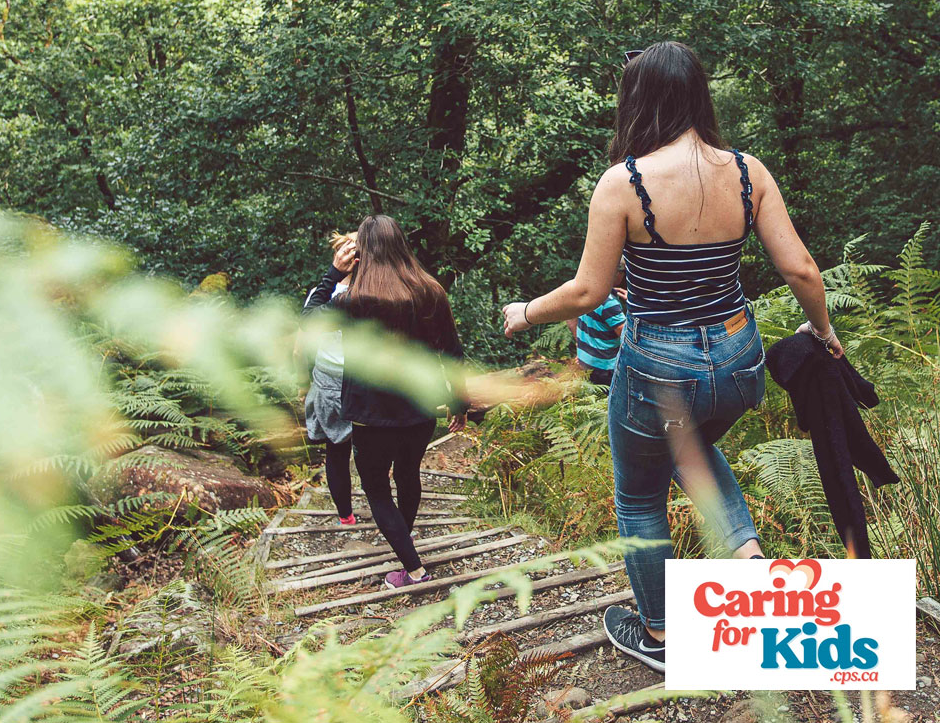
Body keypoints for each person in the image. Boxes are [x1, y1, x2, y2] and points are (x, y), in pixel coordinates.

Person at [501, 41, 843, 674]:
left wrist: (525, 312)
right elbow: (799, 266)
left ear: (638, 100)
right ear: (698, 94)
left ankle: (658, 633)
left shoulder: (623, 183)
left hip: (659, 363)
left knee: (639, 496)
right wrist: (821, 330)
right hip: (738, 356)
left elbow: (588, 292)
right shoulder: (749, 173)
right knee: (692, 452)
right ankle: (753, 567)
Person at [304, 214, 469, 588]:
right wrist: (459, 402)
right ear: (401, 246)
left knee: (377, 489)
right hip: (421, 408)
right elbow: (453, 353)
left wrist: (333, 273)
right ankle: (403, 545)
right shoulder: (430, 292)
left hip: (371, 415)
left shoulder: (354, 300)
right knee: (409, 476)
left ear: (363, 252)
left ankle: (414, 570)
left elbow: (309, 321)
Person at [303, 231, 358, 525]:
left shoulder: (321, 294)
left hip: (327, 382)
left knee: (336, 453)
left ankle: (345, 516)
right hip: (363, 383)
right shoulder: (374, 295)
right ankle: (389, 515)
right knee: (374, 454)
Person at [568, 285, 626, 386]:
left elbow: (569, 316)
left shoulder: (583, 292)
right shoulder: (608, 302)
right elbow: (629, 337)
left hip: (585, 363)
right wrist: (635, 305)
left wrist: (581, 347)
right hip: (606, 369)